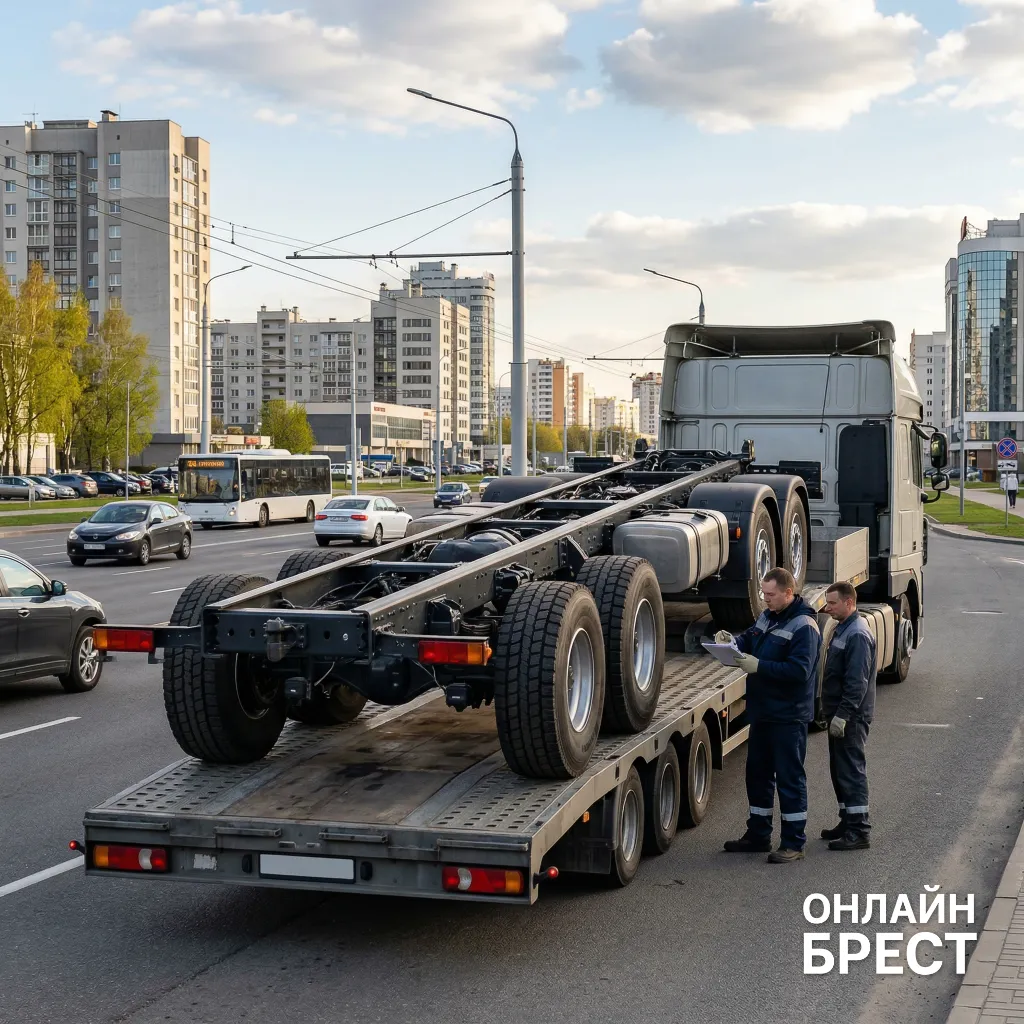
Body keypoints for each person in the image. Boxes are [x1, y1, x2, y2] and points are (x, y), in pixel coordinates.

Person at [717, 567, 822, 864]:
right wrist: (732, 644)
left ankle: (794, 842)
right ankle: (758, 834)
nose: (766, 600)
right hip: (763, 712)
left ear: (789, 593)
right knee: (758, 776)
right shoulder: (769, 616)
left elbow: (800, 672)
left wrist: (759, 667)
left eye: (771, 595)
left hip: (788, 716)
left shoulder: (804, 626)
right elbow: (751, 639)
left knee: (789, 779)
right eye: (764, 594)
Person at [820, 581, 876, 851]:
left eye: (832, 603)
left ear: (849, 603)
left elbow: (857, 683)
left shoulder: (857, 634)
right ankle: (847, 820)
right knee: (840, 770)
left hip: (850, 718)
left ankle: (859, 830)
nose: (827, 607)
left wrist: (842, 716)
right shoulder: (844, 627)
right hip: (840, 715)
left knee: (851, 771)